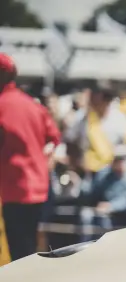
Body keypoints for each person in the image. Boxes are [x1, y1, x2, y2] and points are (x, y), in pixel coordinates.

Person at [0, 52, 61, 261]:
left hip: (13, 188)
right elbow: (53, 138)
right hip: (37, 187)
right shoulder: (33, 105)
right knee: (29, 247)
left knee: (18, 251)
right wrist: (44, 158)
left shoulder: (2, 105)